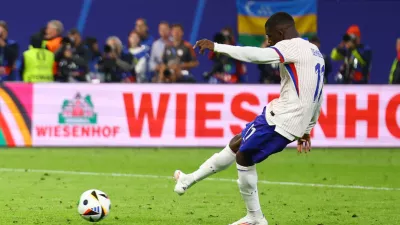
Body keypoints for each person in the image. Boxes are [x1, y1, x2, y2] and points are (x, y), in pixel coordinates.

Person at [173, 12, 324, 225]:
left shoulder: (291, 46)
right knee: (237, 143)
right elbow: (318, 93)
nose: (269, 42)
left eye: (270, 36)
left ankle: (255, 217)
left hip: (282, 119)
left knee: (244, 157)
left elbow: (256, 55)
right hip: (282, 116)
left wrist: (217, 47)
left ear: (281, 32)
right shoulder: (315, 51)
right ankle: (190, 179)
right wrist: (308, 128)